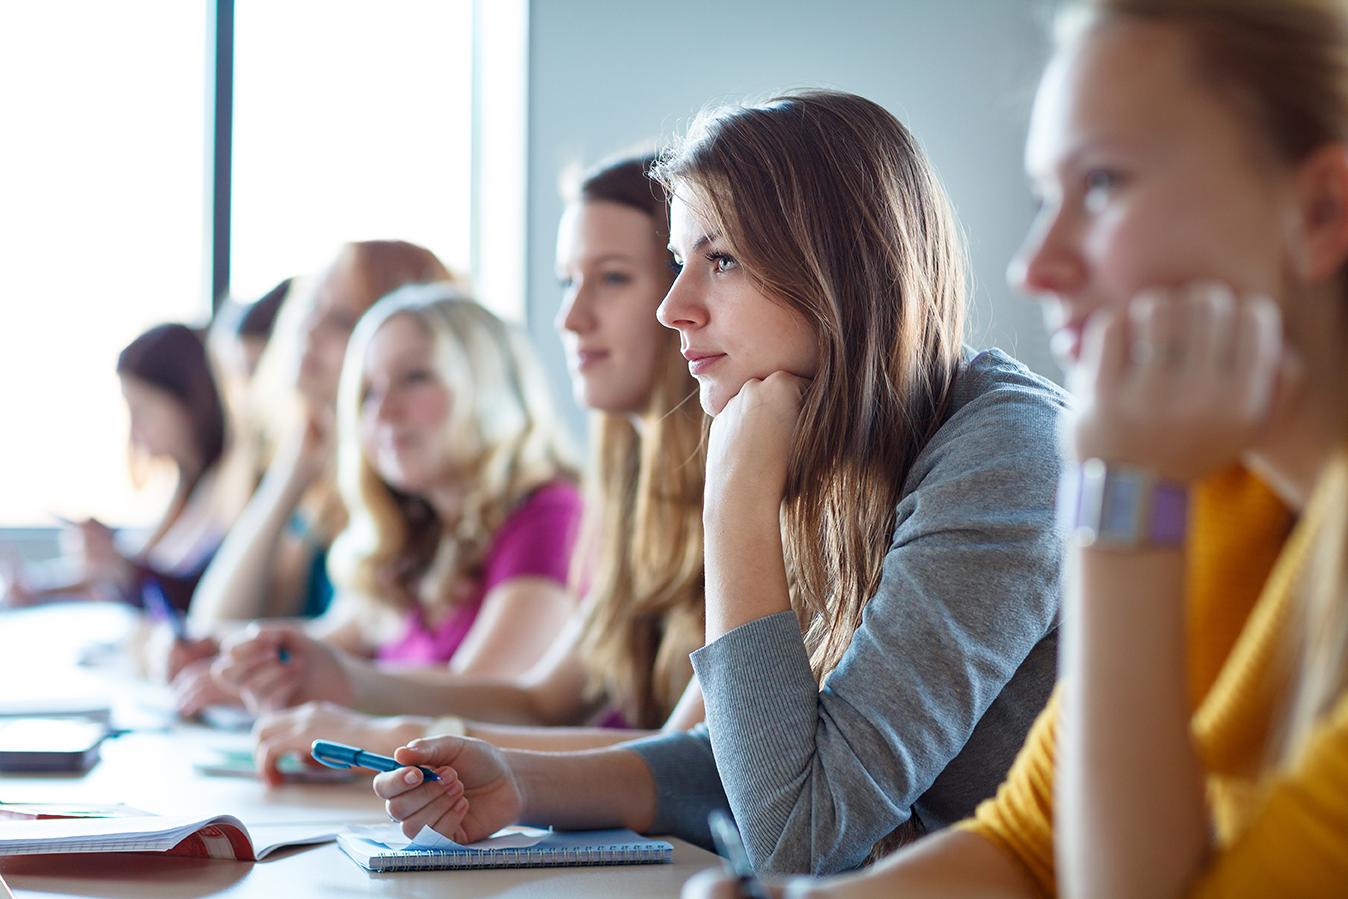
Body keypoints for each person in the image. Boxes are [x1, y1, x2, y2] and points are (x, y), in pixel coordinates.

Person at [684, 1, 1348, 895]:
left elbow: (805, 821)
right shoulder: (1231, 493)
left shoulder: (1116, 477)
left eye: (1105, 184)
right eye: (1045, 198)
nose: (1032, 266)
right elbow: (1029, 843)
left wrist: (1122, 503)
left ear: (1322, 211)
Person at [371, 90, 1067, 874]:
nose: (675, 307)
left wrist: (734, 496)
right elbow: (755, 758)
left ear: (839, 269)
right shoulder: (842, 450)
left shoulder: (1007, 457)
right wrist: (518, 781)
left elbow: (799, 830)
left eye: (722, 260)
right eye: (679, 263)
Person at [212, 156, 711, 778]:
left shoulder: (561, 510)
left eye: (611, 278)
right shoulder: (631, 501)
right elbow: (541, 699)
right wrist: (347, 685)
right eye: (566, 283)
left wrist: (381, 726)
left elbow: (689, 760)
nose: (569, 317)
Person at [179, 284, 584, 724]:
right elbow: (322, 647)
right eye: (369, 392)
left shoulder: (550, 514)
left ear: (489, 385)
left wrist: (327, 686)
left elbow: (490, 704)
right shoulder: (417, 533)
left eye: (414, 378)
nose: (384, 412)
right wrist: (213, 648)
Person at [166, 241, 462, 708]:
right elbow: (219, 617)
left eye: (343, 321)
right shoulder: (323, 473)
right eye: (312, 308)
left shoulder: (408, 493)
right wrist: (293, 470)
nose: (310, 330)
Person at [2, 323, 238, 613]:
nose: (135, 430)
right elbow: (142, 575)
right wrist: (42, 588)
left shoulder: (227, 488)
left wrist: (121, 565)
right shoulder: (185, 490)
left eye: (144, 410)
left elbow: (192, 597)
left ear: (188, 401)